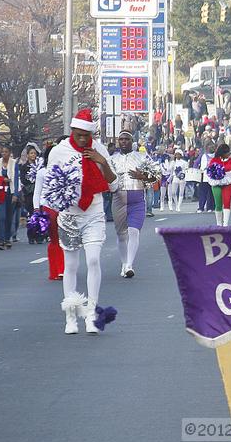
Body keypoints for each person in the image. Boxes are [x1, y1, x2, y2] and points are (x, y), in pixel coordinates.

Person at [45, 109, 118, 334]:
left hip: (94, 212)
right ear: (72, 131)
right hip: (69, 215)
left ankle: (92, 314)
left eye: (87, 135)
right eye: (79, 134)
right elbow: (51, 183)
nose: (84, 139)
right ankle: (70, 316)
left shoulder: (99, 149)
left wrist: (102, 162)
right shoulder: (59, 151)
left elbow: (113, 183)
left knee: (94, 260)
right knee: (71, 265)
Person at [110, 132, 152, 279]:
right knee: (122, 235)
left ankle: (129, 265)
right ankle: (124, 263)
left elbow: (155, 176)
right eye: (121, 139)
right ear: (117, 142)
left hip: (137, 199)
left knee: (134, 231)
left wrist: (144, 177)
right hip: (118, 199)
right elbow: (107, 178)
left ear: (132, 141)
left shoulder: (142, 157)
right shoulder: (112, 159)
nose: (123, 142)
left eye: (127, 139)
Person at [33, 144, 64, 281]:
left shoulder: (65, 171)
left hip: (64, 208)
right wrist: (36, 210)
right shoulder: (42, 172)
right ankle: (55, 271)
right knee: (54, 239)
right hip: (48, 208)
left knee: (64, 240)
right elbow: (37, 192)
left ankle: (64, 269)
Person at [0, 145, 19, 249]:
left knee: (9, 217)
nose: (4, 154)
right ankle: (1, 239)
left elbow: (16, 179)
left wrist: (16, 194)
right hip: (0, 191)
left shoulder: (14, 163)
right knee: (1, 216)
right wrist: (1, 179)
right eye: (2, 152)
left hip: (10, 192)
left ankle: (7, 238)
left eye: (6, 152)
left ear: (10, 153)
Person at [207, 143, 231, 226]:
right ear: (222, 153)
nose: (229, 154)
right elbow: (209, 172)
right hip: (216, 183)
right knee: (218, 204)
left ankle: (225, 224)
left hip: (228, 183)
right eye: (227, 152)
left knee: (227, 202)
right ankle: (219, 224)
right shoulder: (214, 160)